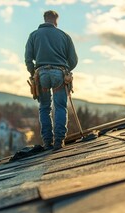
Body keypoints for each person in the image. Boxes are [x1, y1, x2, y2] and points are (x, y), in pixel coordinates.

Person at [25, 10, 78, 150]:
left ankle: (47, 142)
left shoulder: (34, 35)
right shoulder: (64, 36)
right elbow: (73, 60)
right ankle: (59, 141)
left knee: (44, 108)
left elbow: (28, 58)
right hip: (59, 74)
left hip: (41, 75)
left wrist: (32, 72)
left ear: (44, 19)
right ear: (56, 21)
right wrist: (66, 68)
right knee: (60, 107)